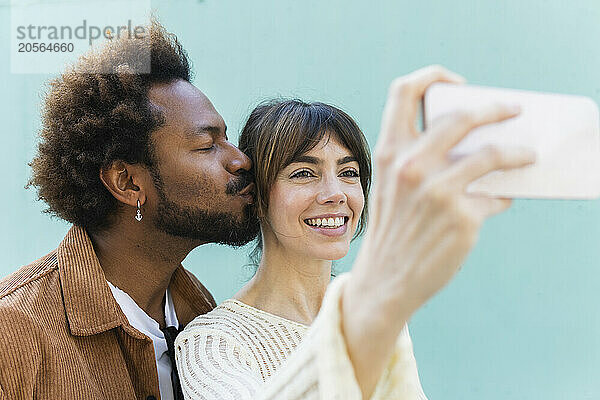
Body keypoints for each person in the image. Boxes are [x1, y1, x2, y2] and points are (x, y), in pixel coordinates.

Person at [0, 19, 535, 400]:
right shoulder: (16, 330)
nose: (240, 163)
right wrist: (384, 288)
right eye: (208, 145)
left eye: (350, 172)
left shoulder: (188, 310)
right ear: (126, 181)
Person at [175, 99, 427, 399]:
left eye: (348, 172)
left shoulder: (377, 318)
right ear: (256, 196)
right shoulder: (214, 344)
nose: (335, 194)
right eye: (304, 173)